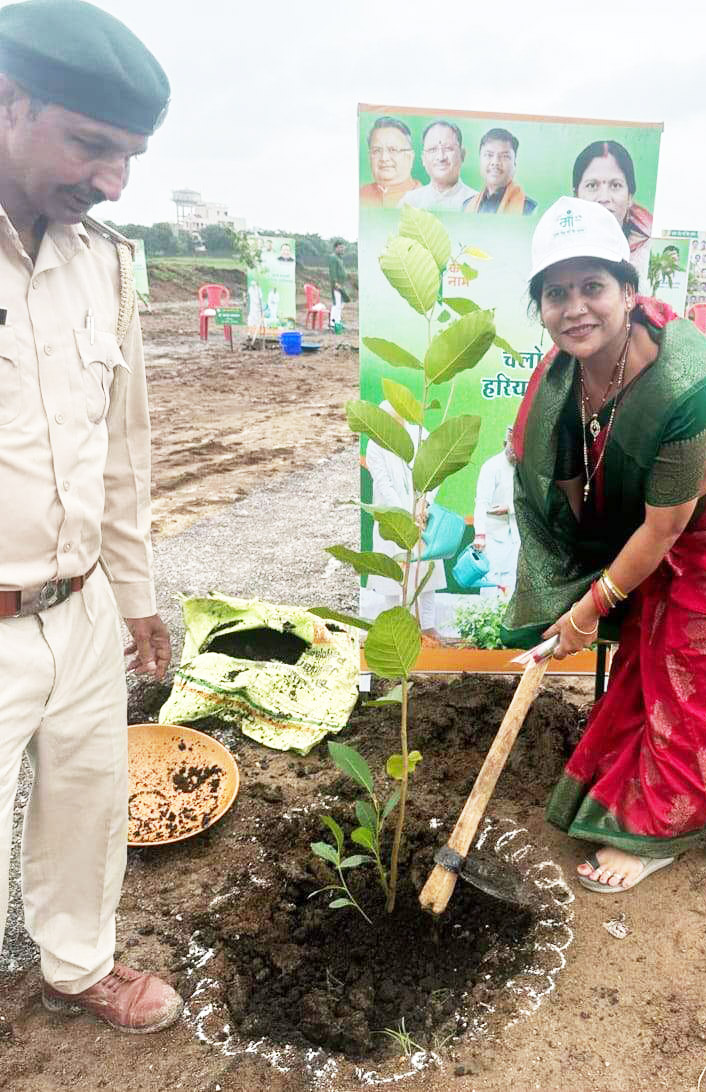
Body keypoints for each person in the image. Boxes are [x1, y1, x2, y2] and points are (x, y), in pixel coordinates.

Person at [503, 197, 706, 894]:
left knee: (701, 659)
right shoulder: (560, 376)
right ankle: (631, 777)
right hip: (670, 511)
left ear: (629, 293)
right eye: (557, 292)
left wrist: (587, 612)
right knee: (653, 640)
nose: (575, 307)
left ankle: (664, 827)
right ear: (541, 306)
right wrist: (580, 588)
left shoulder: (680, 389)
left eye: (594, 287)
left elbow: (662, 529)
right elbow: (566, 486)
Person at [0, 0, 182, 1032]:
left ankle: (77, 966)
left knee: (87, 808)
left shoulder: (107, 266)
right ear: (9, 101)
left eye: (131, 157)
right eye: (92, 145)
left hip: (77, 611)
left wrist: (136, 599)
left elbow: (124, 452)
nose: (113, 180)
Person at [364, 402, 444, 639]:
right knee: (391, 576)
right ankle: (395, 630)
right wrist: (405, 515)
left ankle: (427, 627)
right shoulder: (376, 443)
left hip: (423, 516)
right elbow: (383, 484)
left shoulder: (421, 435)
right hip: (393, 520)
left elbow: (436, 474)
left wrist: (424, 503)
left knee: (428, 573)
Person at [571, 139, 653, 286]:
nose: (604, 198)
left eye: (615, 185)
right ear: (576, 195)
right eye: (592, 185)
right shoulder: (558, 249)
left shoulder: (647, 255)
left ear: (630, 197)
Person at [472, 426, 521, 598]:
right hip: (492, 536)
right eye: (512, 447)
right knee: (491, 580)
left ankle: (506, 621)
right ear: (505, 443)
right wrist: (480, 535)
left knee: (512, 579)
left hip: (516, 534)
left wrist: (509, 509)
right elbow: (481, 503)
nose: (515, 453)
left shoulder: (524, 467)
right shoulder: (491, 467)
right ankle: (488, 621)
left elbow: (528, 501)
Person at [398, 120, 477, 212]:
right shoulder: (410, 202)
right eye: (432, 149)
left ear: (462, 154)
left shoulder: (477, 203)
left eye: (448, 148)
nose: (441, 157)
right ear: (423, 159)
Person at [464, 128, 536, 216]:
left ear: (515, 163)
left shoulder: (530, 209)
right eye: (489, 155)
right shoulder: (467, 206)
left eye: (504, 156)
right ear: (480, 160)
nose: (495, 162)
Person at [360, 116, 421, 209]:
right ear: (369, 157)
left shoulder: (424, 200)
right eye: (376, 151)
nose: (384, 158)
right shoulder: (361, 195)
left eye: (393, 150)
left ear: (409, 156)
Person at [328, 239, 350, 331]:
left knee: (342, 303)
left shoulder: (339, 258)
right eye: (340, 247)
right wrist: (335, 282)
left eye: (343, 247)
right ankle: (333, 323)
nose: (342, 249)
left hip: (342, 284)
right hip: (337, 285)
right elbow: (332, 271)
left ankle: (338, 321)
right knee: (336, 304)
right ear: (336, 248)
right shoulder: (333, 257)